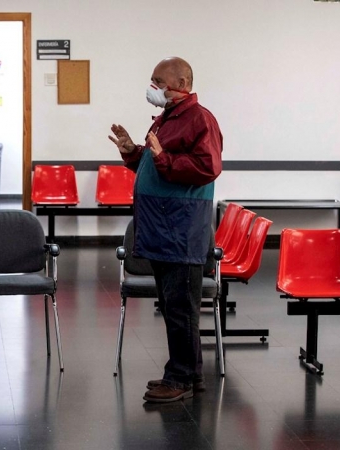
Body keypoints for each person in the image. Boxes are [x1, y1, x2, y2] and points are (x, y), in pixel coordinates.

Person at [108, 57, 223, 403]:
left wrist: (161, 159)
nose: (152, 86)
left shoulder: (200, 119)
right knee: (175, 307)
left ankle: (179, 379)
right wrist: (133, 153)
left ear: (182, 83)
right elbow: (157, 161)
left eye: (158, 80)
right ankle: (191, 374)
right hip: (162, 228)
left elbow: (207, 167)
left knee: (180, 309)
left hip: (181, 230)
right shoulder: (168, 119)